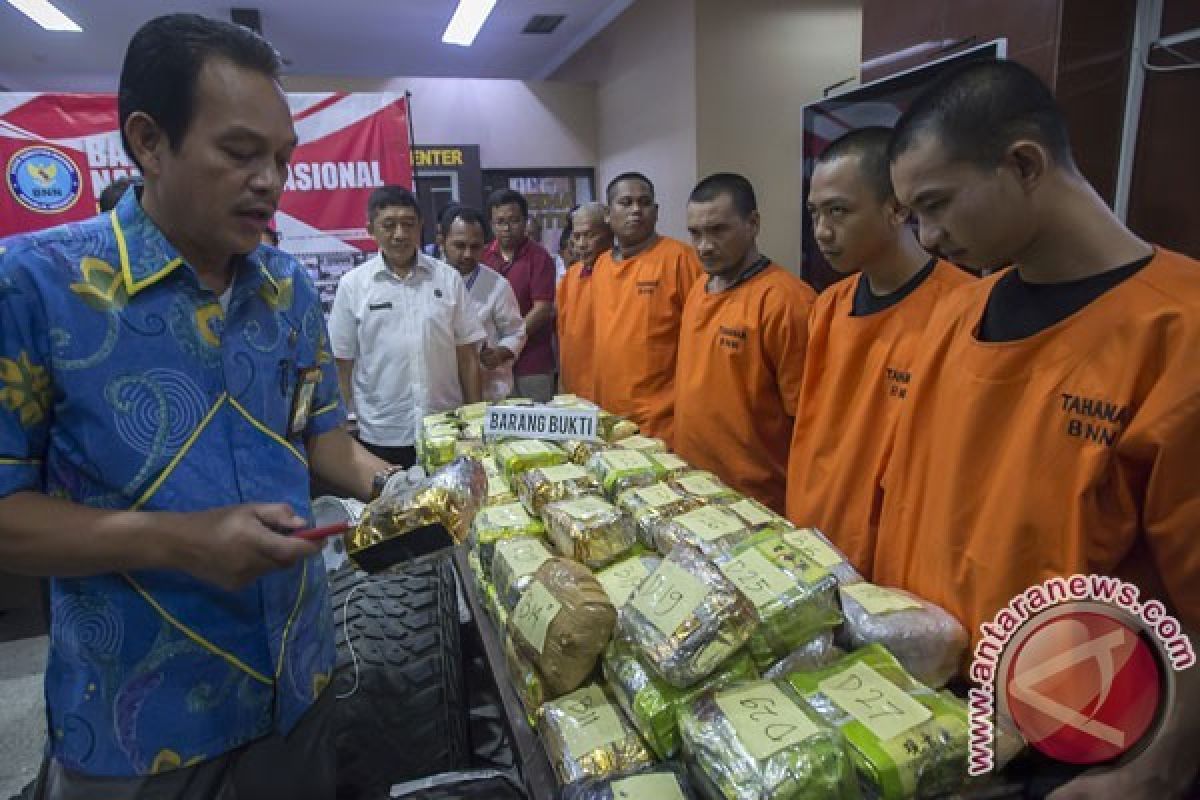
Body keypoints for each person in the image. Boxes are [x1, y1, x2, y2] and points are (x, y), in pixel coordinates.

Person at [0, 14, 396, 798]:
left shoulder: (288, 289)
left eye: (283, 158)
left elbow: (322, 443)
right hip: (140, 728)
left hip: (300, 682)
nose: (271, 181)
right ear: (148, 142)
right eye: (241, 153)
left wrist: (404, 490)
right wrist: (179, 541)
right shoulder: (36, 287)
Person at [877, 60, 1199, 798]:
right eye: (911, 216)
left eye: (937, 205)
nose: (926, 237)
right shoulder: (957, 314)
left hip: (1072, 743)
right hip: (923, 714)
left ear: (1024, 164)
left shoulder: (1177, 332)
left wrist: (1152, 772)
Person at [785, 127, 972, 572]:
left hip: (894, 559)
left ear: (895, 209)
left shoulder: (964, 309)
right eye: (814, 213)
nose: (822, 232)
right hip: (813, 541)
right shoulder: (829, 305)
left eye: (839, 211)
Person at [672, 173, 813, 513]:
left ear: (753, 224)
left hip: (756, 501)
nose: (704, 245)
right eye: (695, 233)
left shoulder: (787, 302)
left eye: (718, 230)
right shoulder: (698, 288)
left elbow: (808, 424)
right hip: (692, 487)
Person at [330, 186, 484, 467]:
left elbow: (467, 356)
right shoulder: (353, 286)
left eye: (408, 224)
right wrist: (338, 429)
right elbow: (342, 364)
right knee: (387, 510)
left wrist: (475, 420)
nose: (400, 234)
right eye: (389, 225)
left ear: (420, 227)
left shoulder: (448, 280)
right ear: (371, 229)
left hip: (444, 429)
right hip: (382, 434)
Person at [589, 173, 704, 443]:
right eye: (626, 203)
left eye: (644, 202)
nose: (636, 210)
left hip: (661, 419)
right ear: (607, 213)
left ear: (656, 211)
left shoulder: (681, 260)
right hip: (609, 415)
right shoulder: (602, 265)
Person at [440, 206, 526, 401]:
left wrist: (499, 354)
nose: (468, 254)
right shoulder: (427, 283)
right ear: (442, 241)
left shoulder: (497, 285)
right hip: (442, 394)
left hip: (489, 390)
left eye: (476, 246)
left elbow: (516, 332)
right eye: (460, 246)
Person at [481, 189, 556, 402]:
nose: (506, 228)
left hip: (532, 363)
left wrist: (509, 345)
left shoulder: (540, 258)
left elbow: (542, 309)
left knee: (536, 428)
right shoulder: (483, 257)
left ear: (525, 221)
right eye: (500, 221)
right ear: (492, 224)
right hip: (491, 364)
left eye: (514, 221)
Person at [556, 202, 612, 399]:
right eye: (577, 236)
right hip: (576, 395)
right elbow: (563, 337)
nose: (581, 244)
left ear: (609, 233)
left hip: (612, 391)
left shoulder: (619, 274)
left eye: (589, 235)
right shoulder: (570, 278)